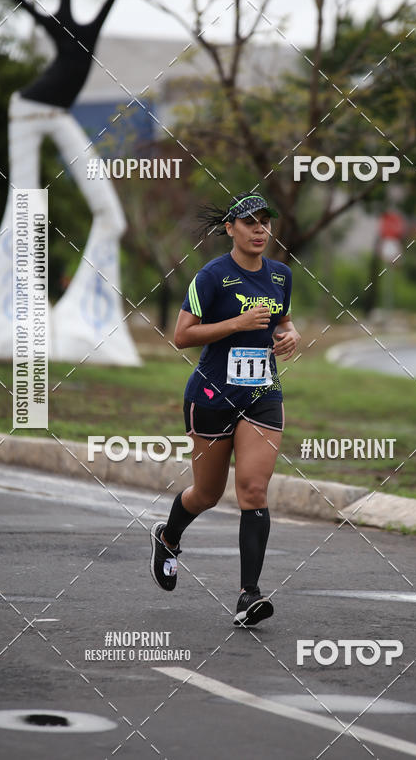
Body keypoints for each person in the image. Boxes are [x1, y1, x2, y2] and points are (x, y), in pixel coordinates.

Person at [0, 0, 139, 364]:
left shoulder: (84, 24)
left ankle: (87, 321)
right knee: (25, 210)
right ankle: (14, 323)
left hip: (57, 114)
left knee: (111, 215)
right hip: (26, 112)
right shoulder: (50, 19)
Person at [149, 192, 301, 627]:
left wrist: (291, 335)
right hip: (212, 397)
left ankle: (248, 595)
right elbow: (182, 335)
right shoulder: (211, 276)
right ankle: (168, 537)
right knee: (207, 494)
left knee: (253, 490)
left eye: (265, 222)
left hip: (262, 395)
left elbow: (283, 321)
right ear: (231, 228)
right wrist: (237, 324)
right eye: (250, 223)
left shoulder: (281, 275)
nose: (260, 230)